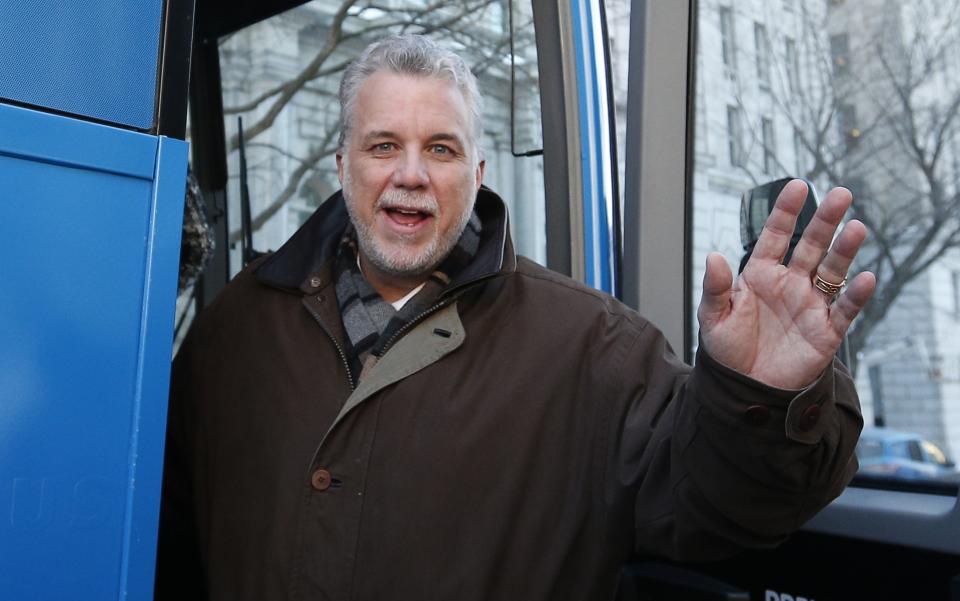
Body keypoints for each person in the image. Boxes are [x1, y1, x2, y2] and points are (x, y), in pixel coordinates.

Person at [155, 34, 875, 601]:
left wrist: (761, 398)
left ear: (478, 173)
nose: (411, 173)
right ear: (342, 164)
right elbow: (162, 540)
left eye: (441, 148)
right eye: (384, 146)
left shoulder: (594, 349)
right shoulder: (234, 331)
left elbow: (719, 506)